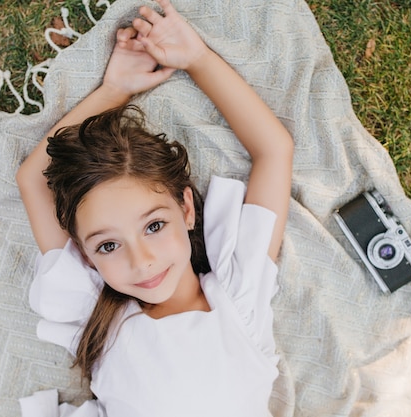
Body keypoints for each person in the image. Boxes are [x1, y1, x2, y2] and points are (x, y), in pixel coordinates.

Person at [16, 0, 293, 415]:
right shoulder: (96, 316)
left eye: (153, 226)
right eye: (108, 246)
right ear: (86, 254)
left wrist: (197, 59)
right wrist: (115, 89)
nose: (142, 262)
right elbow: (34, 180)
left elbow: (274, 150)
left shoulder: (238, 301)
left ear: (186, 208)